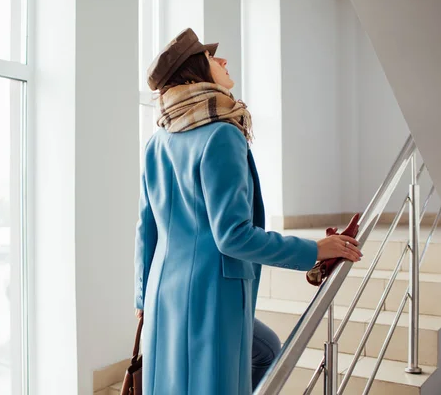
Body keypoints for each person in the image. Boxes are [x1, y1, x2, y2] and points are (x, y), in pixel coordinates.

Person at [133, 28, 362, 395]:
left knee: (229, 364)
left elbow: (147, 229)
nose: (223, 60)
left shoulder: (157, 141)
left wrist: (143, 297)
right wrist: (316, 250)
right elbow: (233, 235)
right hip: (211, 291)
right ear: (196, 73)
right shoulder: (221, 135)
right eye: (211, 58)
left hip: (165, 288)